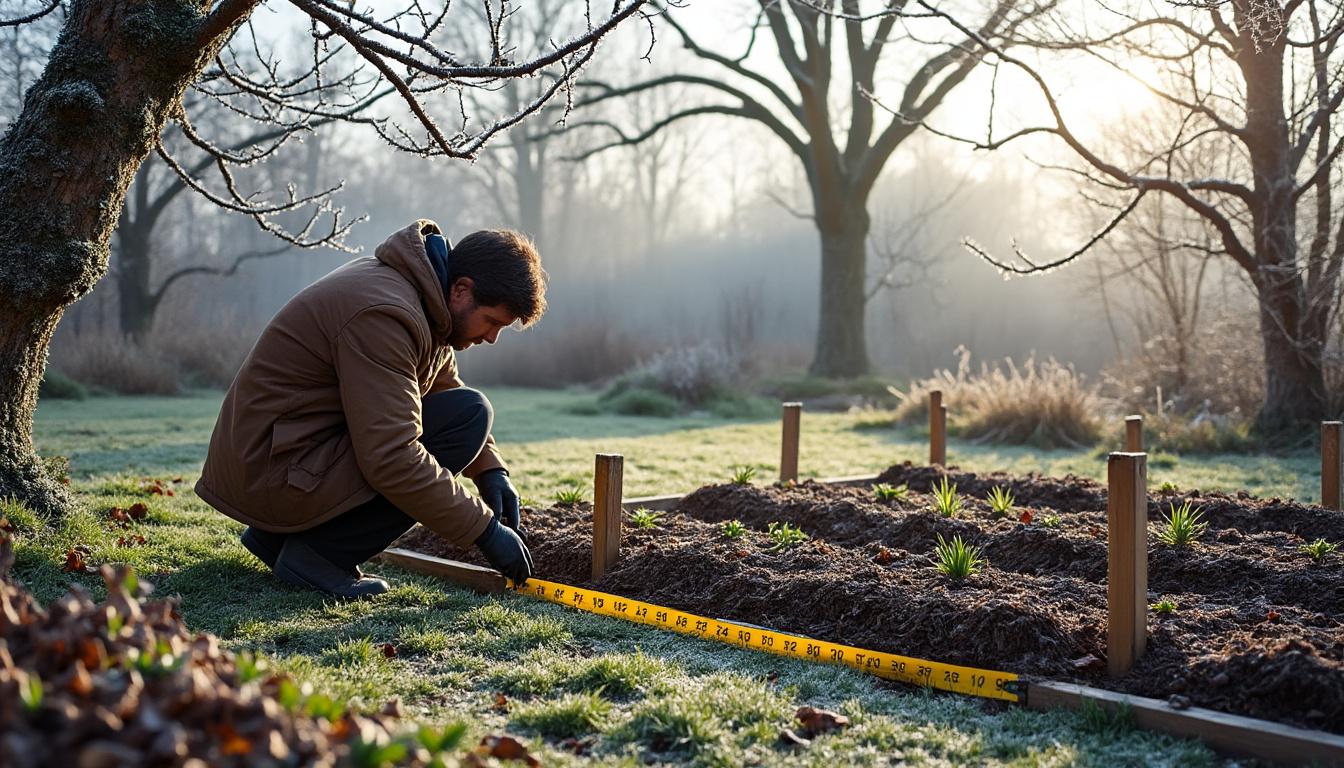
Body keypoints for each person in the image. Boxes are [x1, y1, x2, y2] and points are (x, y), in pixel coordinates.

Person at [196, 220, 538, 597]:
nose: (491, 338)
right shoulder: (386, 312)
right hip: (271, 472)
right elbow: (392, 456)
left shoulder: (422, 298)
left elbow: (443, 386)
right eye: (491, 321)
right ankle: (318, 557)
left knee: (466, 412)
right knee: (468, 416)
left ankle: (277, 539)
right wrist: (485, 531)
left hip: (279, 459)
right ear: (461, 289)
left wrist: (491, 472)